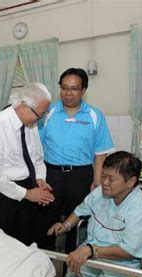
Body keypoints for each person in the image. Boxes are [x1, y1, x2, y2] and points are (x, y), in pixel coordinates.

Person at [47, 151, 142, 277]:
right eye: (103, 175)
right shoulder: (101, 193)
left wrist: (91, 250)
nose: (105, 182)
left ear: (131, 181)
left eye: (111, 178)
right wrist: (66, 224)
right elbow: (81, 209)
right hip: (94, 251)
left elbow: (129, 251)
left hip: (124, 261)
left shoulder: (141, 210)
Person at [39, 68, 114, 253]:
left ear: (83, 90)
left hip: (81, 176)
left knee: (78, 223)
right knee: (45, 221)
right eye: (64, 88)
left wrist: (96, 182)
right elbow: (36, 150)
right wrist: (39, 179)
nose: (68, 93)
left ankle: (71, 270)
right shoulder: (47, 114)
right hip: (52, 175)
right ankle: (43, 263)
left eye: (74, 88)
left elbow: (100, 154)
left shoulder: (95, 116)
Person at [0, 82, 55, 248]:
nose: (41, 118)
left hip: (26, 190)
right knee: (1, 247)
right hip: (1, 194)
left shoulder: (30, 125)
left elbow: (37, 157)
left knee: (24, 242)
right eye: (40, 114)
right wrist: (27, 194)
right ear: (24, 107)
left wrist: (39, 178)